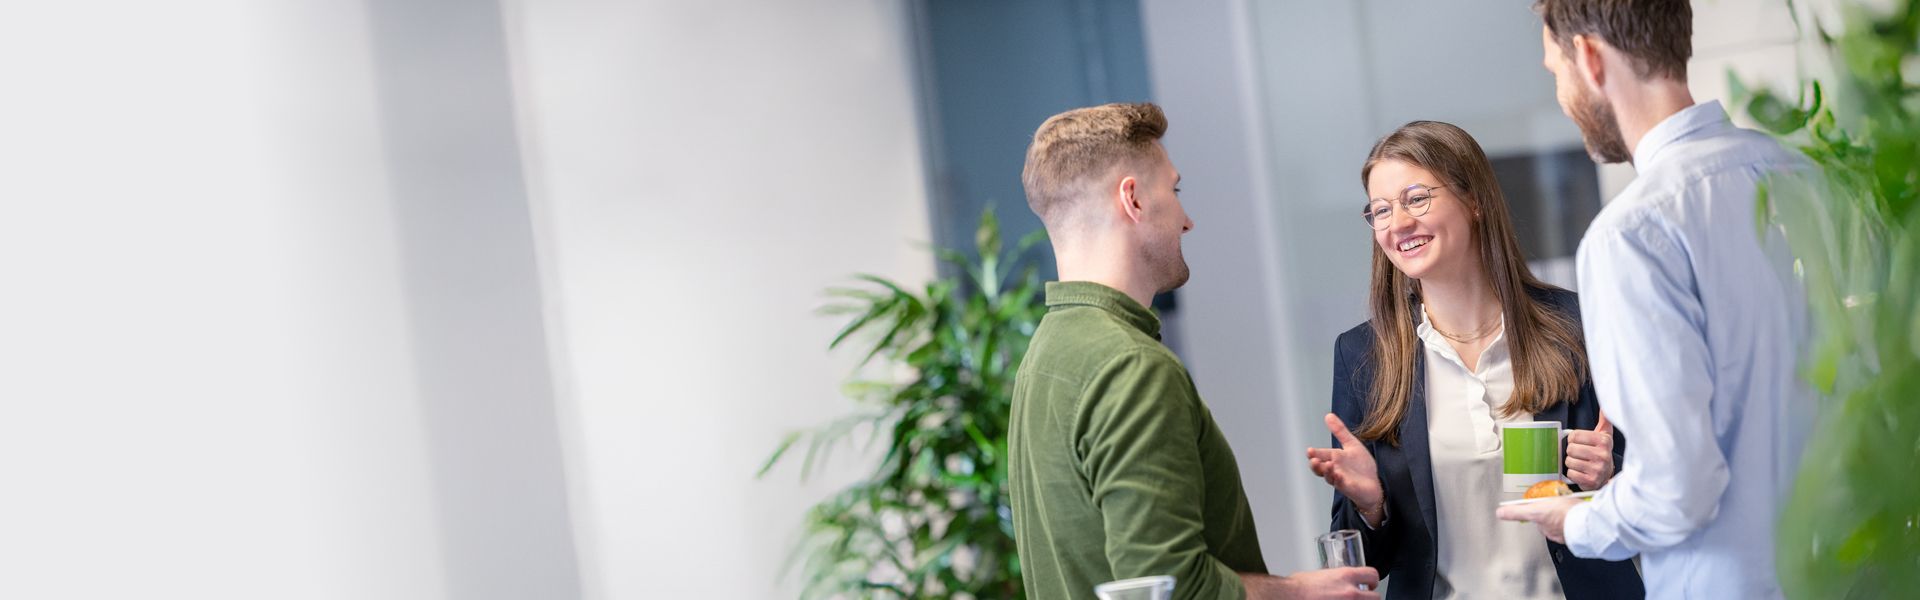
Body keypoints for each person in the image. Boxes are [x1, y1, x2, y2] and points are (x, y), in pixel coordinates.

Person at [1496, 2, 1813, 598]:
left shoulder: (1630, 237)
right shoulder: (1809, 178)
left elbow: (1679, 491)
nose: (1561, 97)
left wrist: (1577, 522)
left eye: (1555, 72)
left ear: (1589, 58)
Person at [1008, 102, 1379, 600]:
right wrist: (1298, 591)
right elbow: (1172, 587)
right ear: (1133, 199)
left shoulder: (1043, 356)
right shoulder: (1130, 367)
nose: (1187, 221)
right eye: (1175, 191)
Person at [1307, 121, 1643, 600]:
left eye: (1416, 198)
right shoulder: (1364, 356)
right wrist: (1370, 505)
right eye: (1380, 210)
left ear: (1475, 200)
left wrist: (1610, 476)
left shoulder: (1578, 324)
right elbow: (1367, 564)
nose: (1397, 223)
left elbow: (1664, 490)